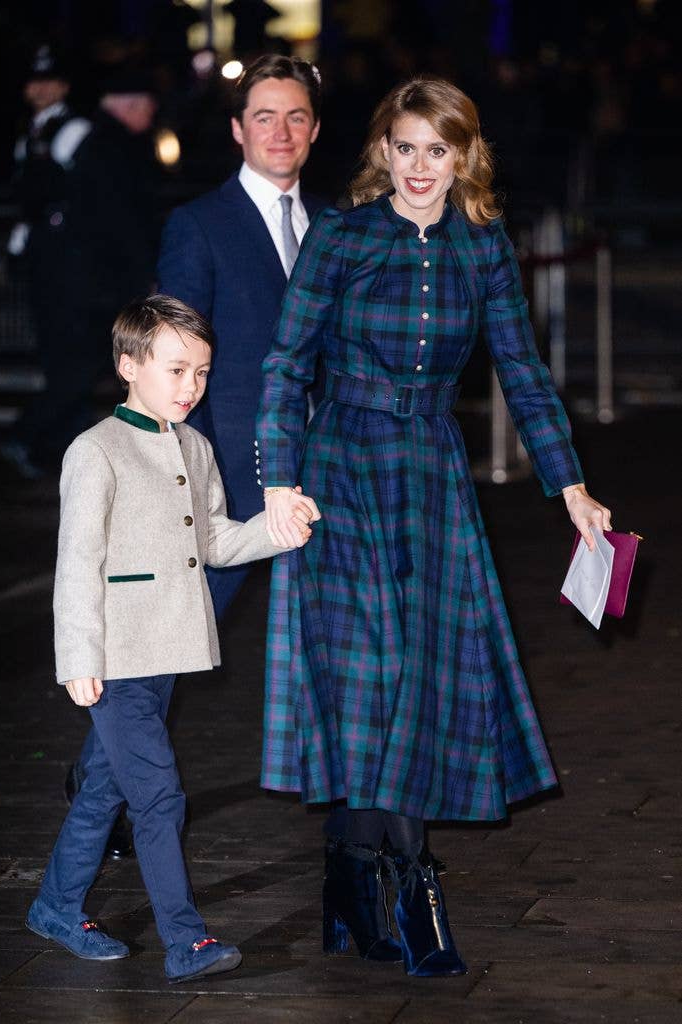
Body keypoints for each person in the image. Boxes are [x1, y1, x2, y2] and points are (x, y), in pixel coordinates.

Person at [256, 77, 612, 978]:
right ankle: (413, 895)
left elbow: (523, 373)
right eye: (405, 147)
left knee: (412, 679)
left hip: (430, 476)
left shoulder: (481, 245)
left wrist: (570, 489)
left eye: (438, 151)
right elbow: (286, 364)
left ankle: (348, 872)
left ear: (464, 156)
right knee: (372, 683)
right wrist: (278, 485)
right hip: (339, 472)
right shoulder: (340, 236)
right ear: (383, 149)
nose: (420, 167)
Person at [25, 294, 319, 983]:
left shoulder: (194, 445)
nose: (191, 386)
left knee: (105, 789)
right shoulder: (95, 451)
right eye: (176, 369)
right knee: (158, 795)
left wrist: (274, 531)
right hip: (116, 658)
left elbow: (213, 541)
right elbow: (77, 564)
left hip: (167, 655)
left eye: (203, 373)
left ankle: (57, 905)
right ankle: (185, 940)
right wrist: (78, 657)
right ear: (129, 366)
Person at [157, 53, 324, 621]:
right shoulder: (198, 224)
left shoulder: (337, 225)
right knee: (187, 622)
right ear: (237, 128)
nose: (281, 133)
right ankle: (126, 712)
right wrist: (194, 470)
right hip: (230, 464)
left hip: (329, 462)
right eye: (264, 117)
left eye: (296, 117)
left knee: (333, 626)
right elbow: (173, 360)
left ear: (315, 128)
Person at [4, 66, 162, 478]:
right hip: (83, 279)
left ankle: (58, 451)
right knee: (79, 364)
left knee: (76, 364)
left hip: (69, 275)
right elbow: (120, 218)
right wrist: (142, 274)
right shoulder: (105, 142)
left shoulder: (87, 135)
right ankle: (27, 436)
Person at [1, 44, 91, 480]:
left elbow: (59, 193)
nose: (40, 89)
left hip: (72, 263)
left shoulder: (73, 129)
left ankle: (32, 435)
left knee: (75, 359)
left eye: (49, 81)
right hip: (45, 261)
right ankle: (56, 447)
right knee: (60, 358)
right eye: (34, 82)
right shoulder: (30, 131)